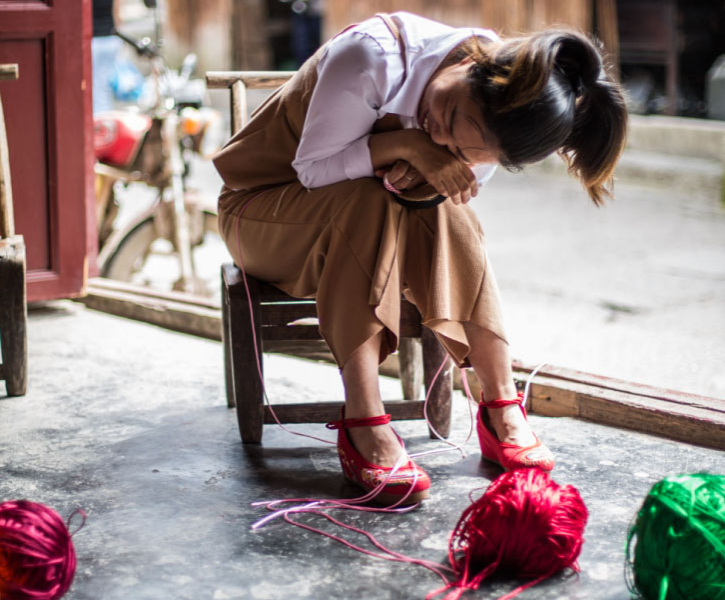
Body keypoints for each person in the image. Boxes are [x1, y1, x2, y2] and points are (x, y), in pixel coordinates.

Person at [213, 12, 627, 504]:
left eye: (464, 149)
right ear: (476, 62)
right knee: (367, 202)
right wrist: (410, 145)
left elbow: (456, 181)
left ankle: (500, 401)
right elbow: (313, 171)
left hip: (364, 226)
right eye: (450, 117)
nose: (442, 137)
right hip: (260, 212)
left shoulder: (496, 112)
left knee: (449, 212)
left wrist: (428, 167)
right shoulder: (372, 58)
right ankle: (362, 418)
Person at [92, 0, 122, 114]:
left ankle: (101, 120)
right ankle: (105, 119)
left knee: (97, 85)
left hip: (93, 39)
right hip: (110, 38)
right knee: (104, 84)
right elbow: (117, 14)